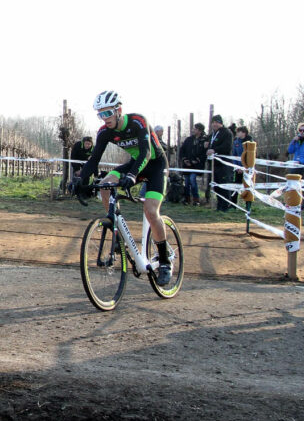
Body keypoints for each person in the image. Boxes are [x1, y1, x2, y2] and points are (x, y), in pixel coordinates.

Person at [68, 91, 174, 285]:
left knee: (151, 211)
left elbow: (145, 152)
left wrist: (132, 175)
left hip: (155, 165)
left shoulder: (138, 122)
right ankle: (117, 233)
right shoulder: (104, 132)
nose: (104, 118)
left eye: (108, 113)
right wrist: (79, 179)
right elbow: (93, 160)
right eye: (101, 114)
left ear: (119, 110)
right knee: (105, 184)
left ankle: (165, 261)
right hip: (135, 164)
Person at [206, 115, 234, 211]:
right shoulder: (212, 135)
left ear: (221, 123)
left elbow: (227, 146)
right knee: (216, 185)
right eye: (213, 122)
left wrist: (215, 150)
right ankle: (219, 205)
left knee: (224, 185)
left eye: (217, 122)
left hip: (224, 164)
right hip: (214, 165)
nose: (215, 124)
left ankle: (225, 206)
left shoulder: (227, 133)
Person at [179, 123, 207, 206]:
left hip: (196, 166)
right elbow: (182, 150)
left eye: (195, 129)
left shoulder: (203, 140)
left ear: (200, 130)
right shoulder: (189, 139)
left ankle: (196, 199)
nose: (193, 130)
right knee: (187, 182)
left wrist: (197, 160)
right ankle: (187, 199)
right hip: (187, 165)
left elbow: (204, 153)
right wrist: (184, 159)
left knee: (192, 180)